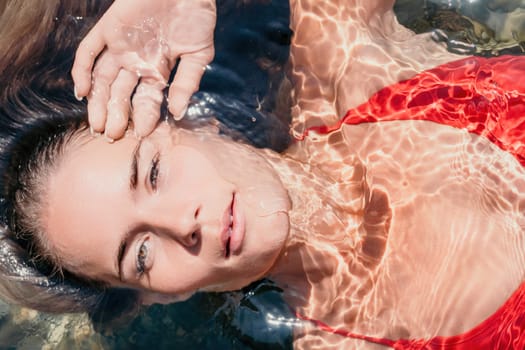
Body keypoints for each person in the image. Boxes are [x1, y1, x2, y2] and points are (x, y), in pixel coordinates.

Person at [1, 0, 525, 349]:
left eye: (153, 172)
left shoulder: (346, 62)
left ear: (190, 123)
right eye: (140, 254)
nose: (180, 222)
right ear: (158, 297)